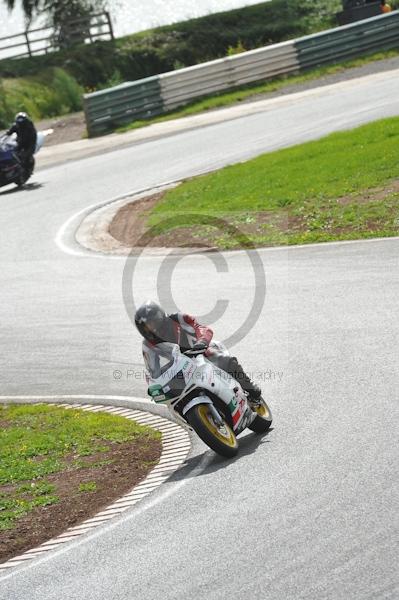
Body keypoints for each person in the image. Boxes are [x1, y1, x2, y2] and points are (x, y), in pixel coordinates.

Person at [135, 300, 263, 405]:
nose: (152, 328)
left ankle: (251, 389)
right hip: (179, 366)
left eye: (153, 323)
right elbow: (152, 368)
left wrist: (201, 342)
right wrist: (154, 384)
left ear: (160, 316)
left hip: (200, 352)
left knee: (226, 361)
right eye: (147, 326)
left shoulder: (178, 318)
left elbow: (201, 327)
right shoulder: (147, 345)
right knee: (174, 398)